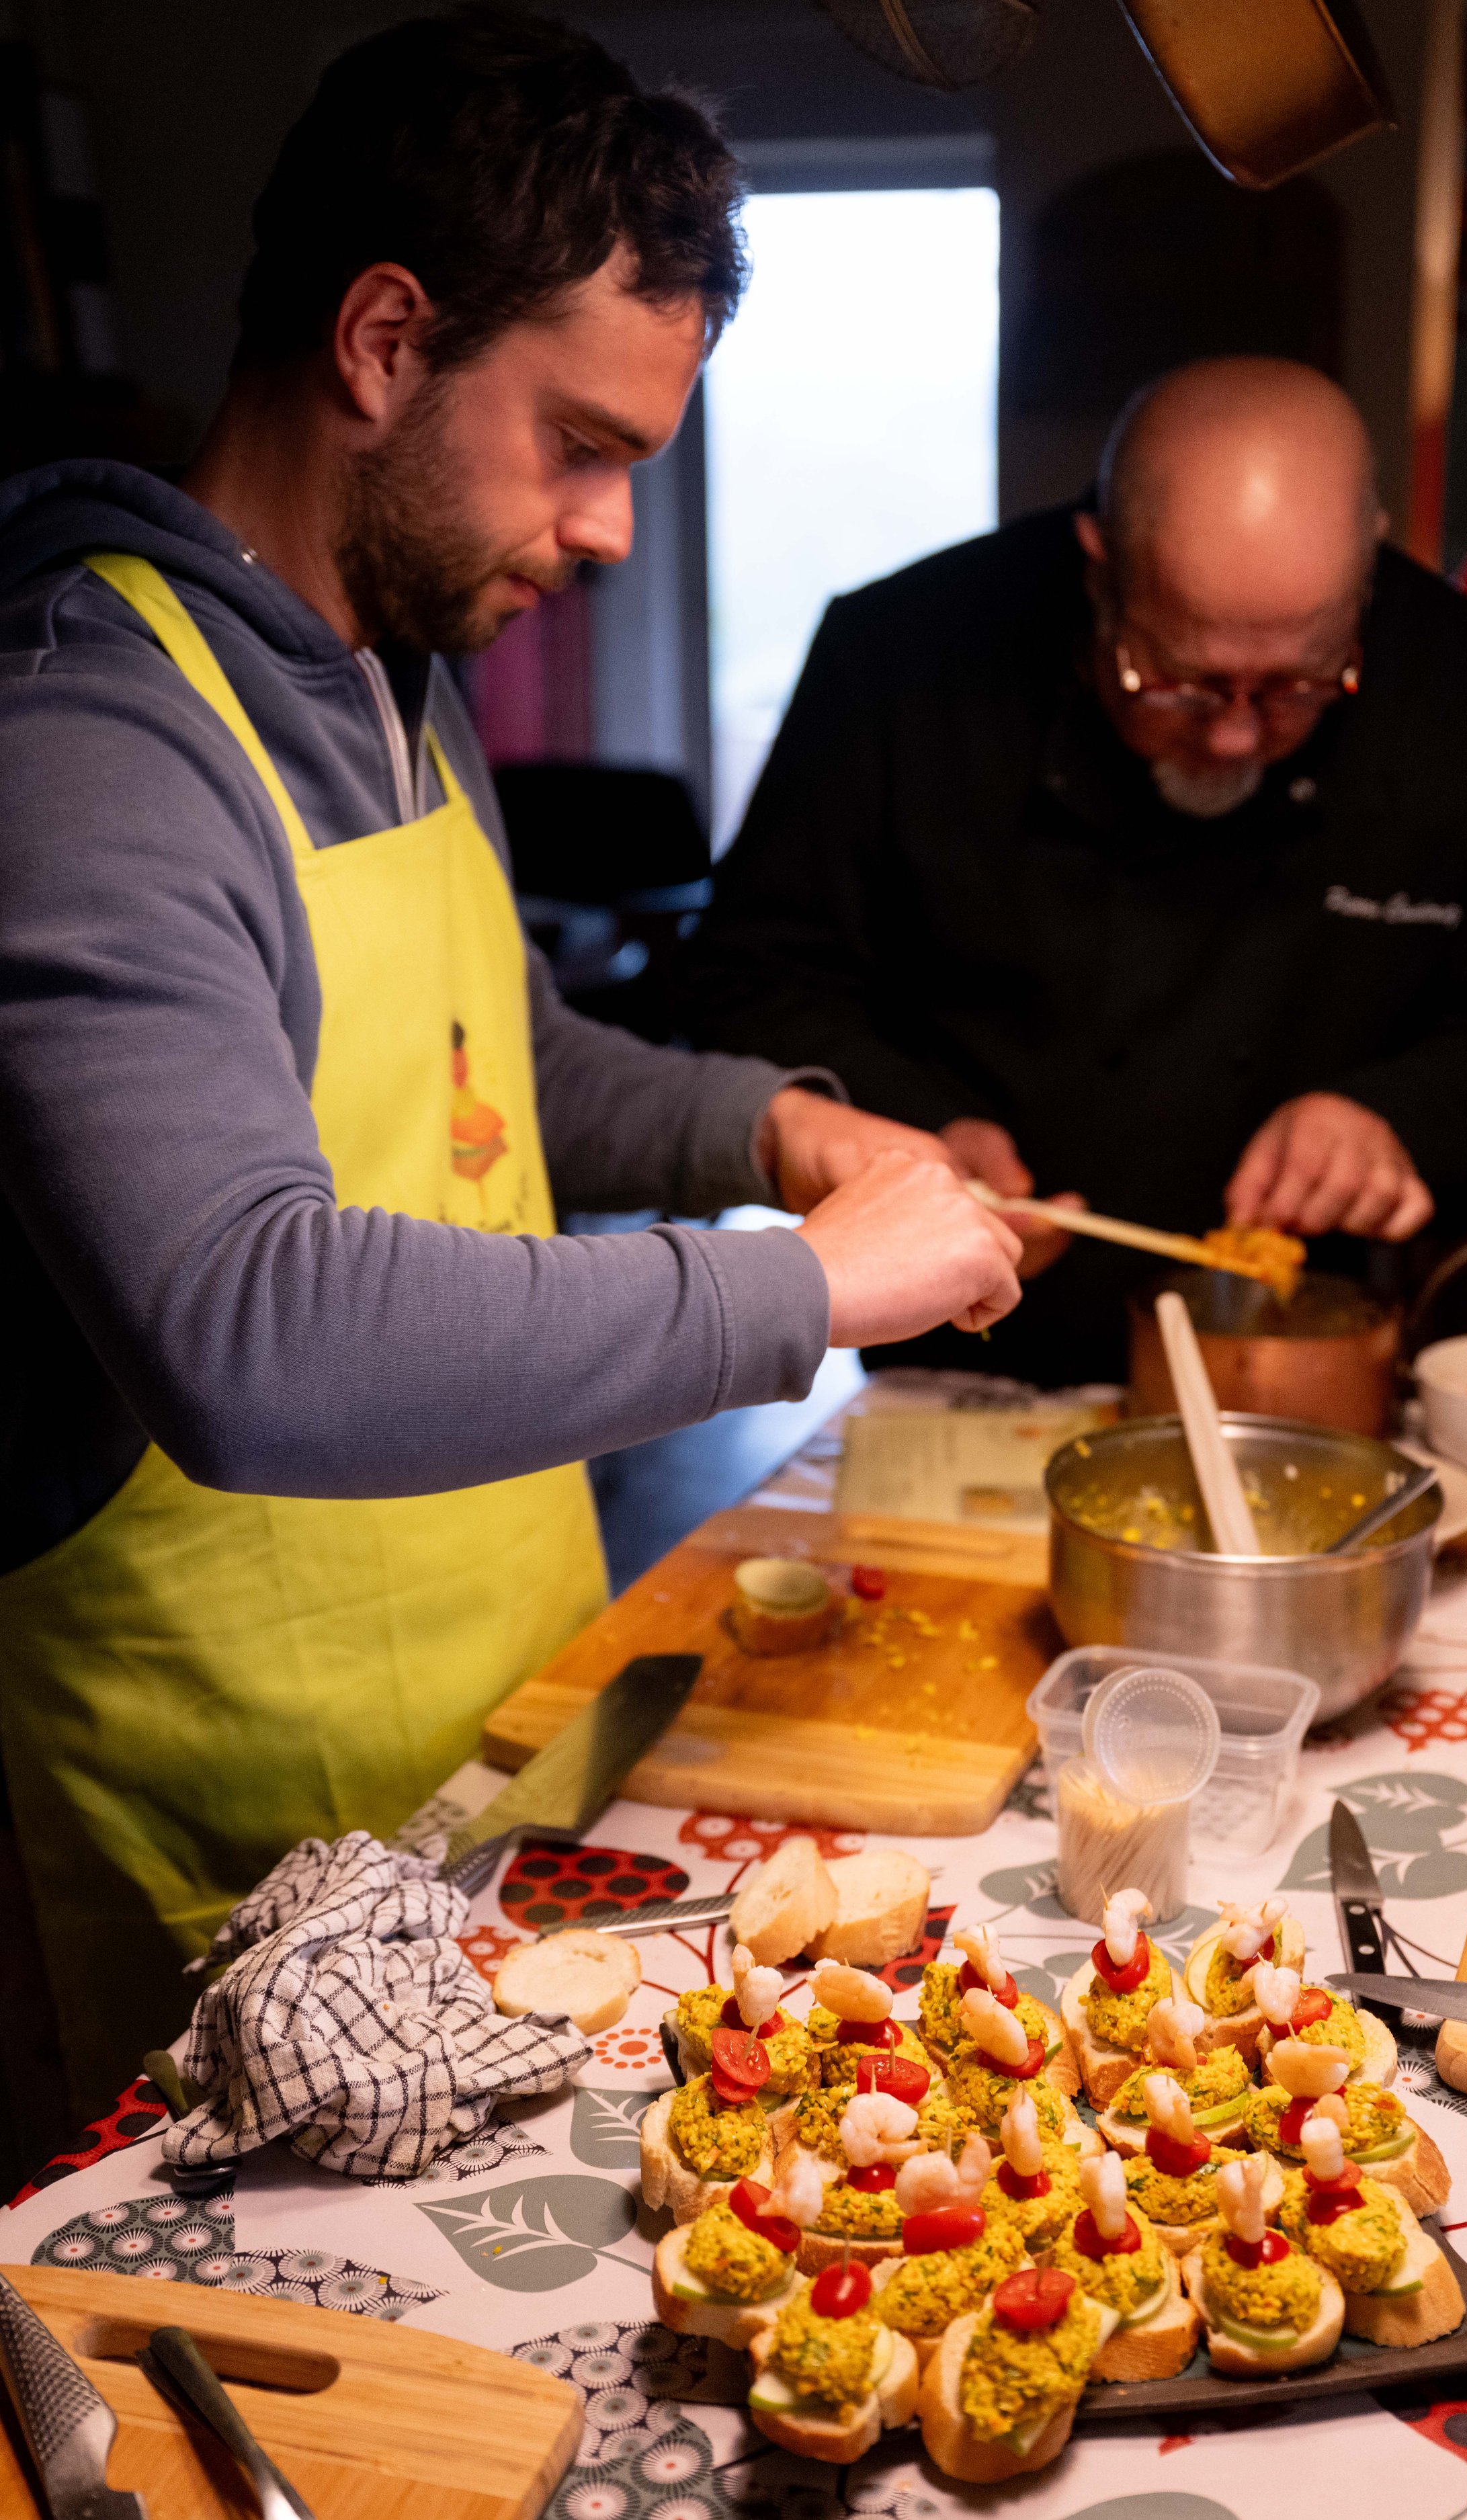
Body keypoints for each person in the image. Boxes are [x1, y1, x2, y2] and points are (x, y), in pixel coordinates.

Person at [0, 7, 1023, 2134]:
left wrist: (771, 1126)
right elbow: (247, 1329)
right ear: (383, 341)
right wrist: (805, 1287)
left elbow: (495, 1055)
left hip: (502, 1727)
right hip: (240, 1831)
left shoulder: (391, 659)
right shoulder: (89, 739)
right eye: (579, 440)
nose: (614, 528)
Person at [689, 358, 1467, 1388]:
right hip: (965, 1353)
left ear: (1367, 573)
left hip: (1305, 1348)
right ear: (1101, 563)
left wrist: (1399, 1113)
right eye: (1179, 681)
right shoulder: (901, 659)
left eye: (1301, 686)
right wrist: (911, 1133)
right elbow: (746, 983)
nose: (1237, 736)